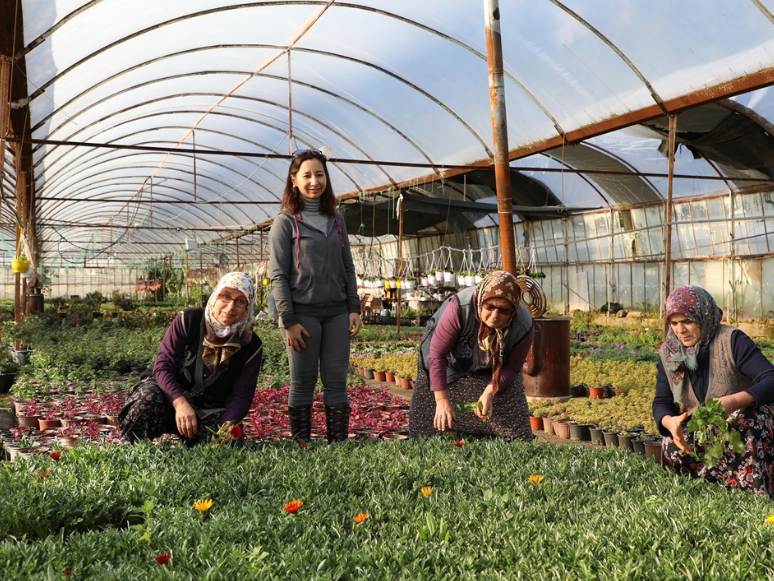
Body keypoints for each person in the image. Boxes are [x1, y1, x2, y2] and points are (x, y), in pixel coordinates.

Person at [268, 149, 362, 443]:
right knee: (303, 382)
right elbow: (278, 276)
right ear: (294, 180)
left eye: (319, 174)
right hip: (302, 316)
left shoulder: (336, 220)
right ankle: (302, 446)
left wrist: (353, 307)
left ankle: (338, 446)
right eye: (306, 175)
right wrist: (289, 320)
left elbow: (347, 267)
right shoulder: (285, 223)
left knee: (337, 382)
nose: (314, 181)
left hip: (336, 314)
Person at [653, 285, 774, 498]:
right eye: (674, 323)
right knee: (670, 442)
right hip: (707, 431)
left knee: (746, 421)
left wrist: (734, 402)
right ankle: (708, 492)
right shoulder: (669, 354)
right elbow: (661, 401)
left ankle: (756, 494)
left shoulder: (732, 341)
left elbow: (771, 379)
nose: (680, 330)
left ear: (704, 317)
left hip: (741, 424)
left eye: (688, 321)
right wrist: (669, 422)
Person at [119, 272, 263, 446]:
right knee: (146, 401)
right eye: (226, 296)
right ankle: (131, 444)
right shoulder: (188, 320)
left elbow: (242, 395)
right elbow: (163, 367)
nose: (231, 306)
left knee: (232, 440)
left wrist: (227, 424)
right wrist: (180, 403)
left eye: (240, 301)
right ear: (215, 296)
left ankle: (192, 440)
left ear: (248, 307)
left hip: (205, 411)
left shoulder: (250, 345)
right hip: (167, 398)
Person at [409, 270, 535, 442]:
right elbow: (437, 355)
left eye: (503, 310)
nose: (495, 315)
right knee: (428, 407)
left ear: (513, 310)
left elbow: (512, 367)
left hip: (491, 363)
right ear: (481, 301)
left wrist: (490, 391)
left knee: (516, 428)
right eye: (490, 307)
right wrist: (442, 399)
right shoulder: (460, 308)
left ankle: (495, 438)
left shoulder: (523, 325)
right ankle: (425, 441)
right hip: (445, 358)